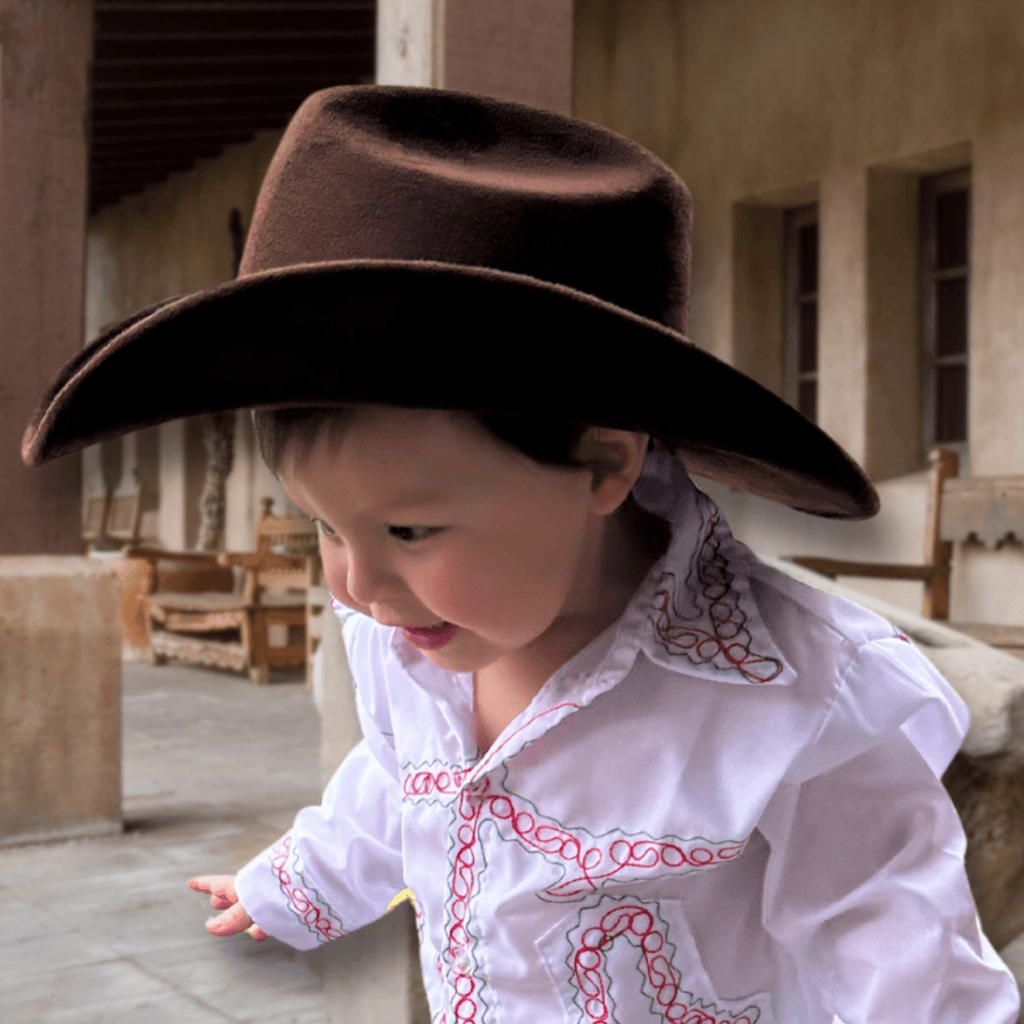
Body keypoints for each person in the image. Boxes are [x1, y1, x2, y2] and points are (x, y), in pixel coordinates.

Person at [21, 85, 1020, 1024]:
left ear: (603, 461)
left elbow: (905, 962)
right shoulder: (409, 633)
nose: (359, 585)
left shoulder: (791, 698)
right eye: (325, 526)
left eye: (410, 531)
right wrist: (298, 880)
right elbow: (399, 783)